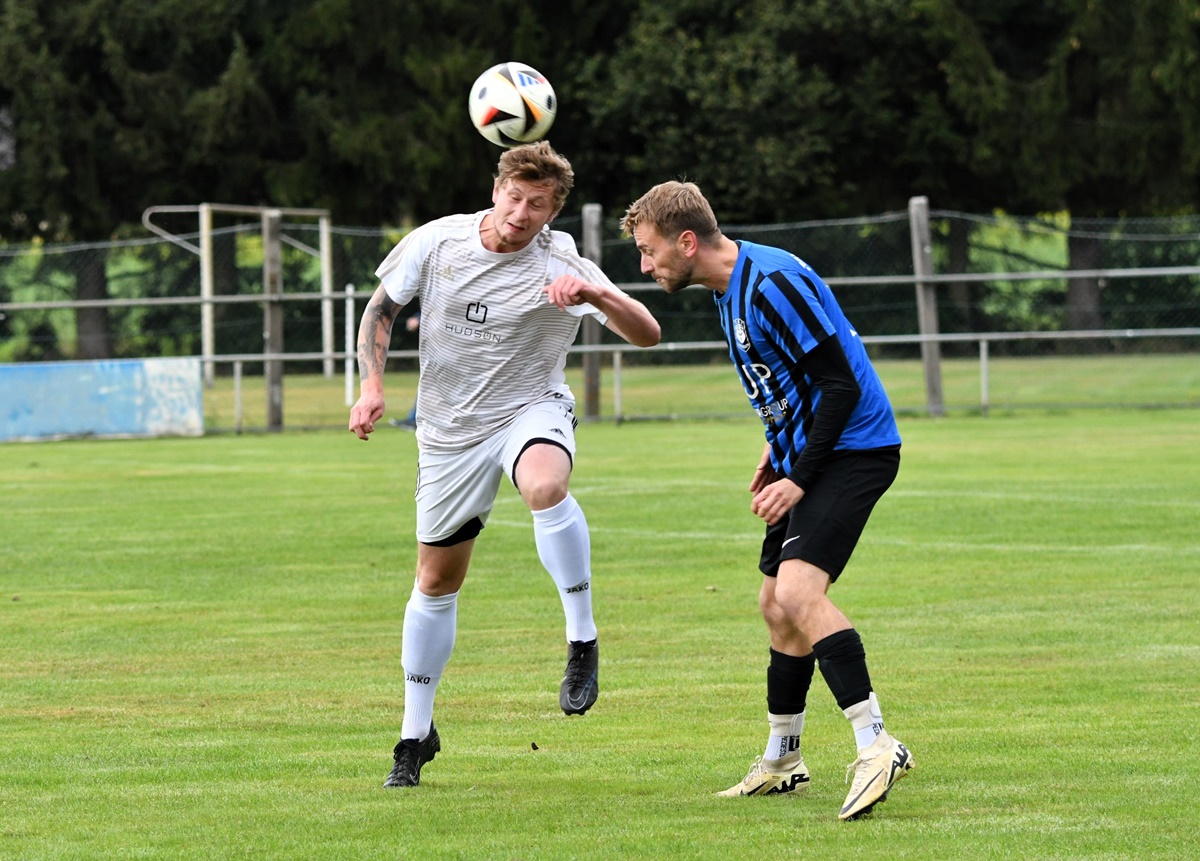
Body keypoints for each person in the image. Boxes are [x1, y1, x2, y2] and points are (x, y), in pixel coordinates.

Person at [349, 141, 661, 789]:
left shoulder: (560, 260)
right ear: (496, 191)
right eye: (514, 198)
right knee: (435, 581)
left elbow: (647, 332)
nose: (521, 213)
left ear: (553, 212)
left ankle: (582, 640)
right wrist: (371, 386)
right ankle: (414, 734)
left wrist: (596, 295)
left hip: (529, 409)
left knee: (545, 484)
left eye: (537, 205)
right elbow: (381, 309)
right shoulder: (437, 241)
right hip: (448, 433)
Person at [620, 180, 913, 821]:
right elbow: (789, 381)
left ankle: (876, 743)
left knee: (799, 594)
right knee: (775, 606)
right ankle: (783, 759)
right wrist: (774, 448)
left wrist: (798, 477)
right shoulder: (728, 290)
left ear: (687, 242)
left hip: (855, 450)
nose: (644, 265)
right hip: (810, 454)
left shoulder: (772, 281)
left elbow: (839, 384)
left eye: (648, 250)